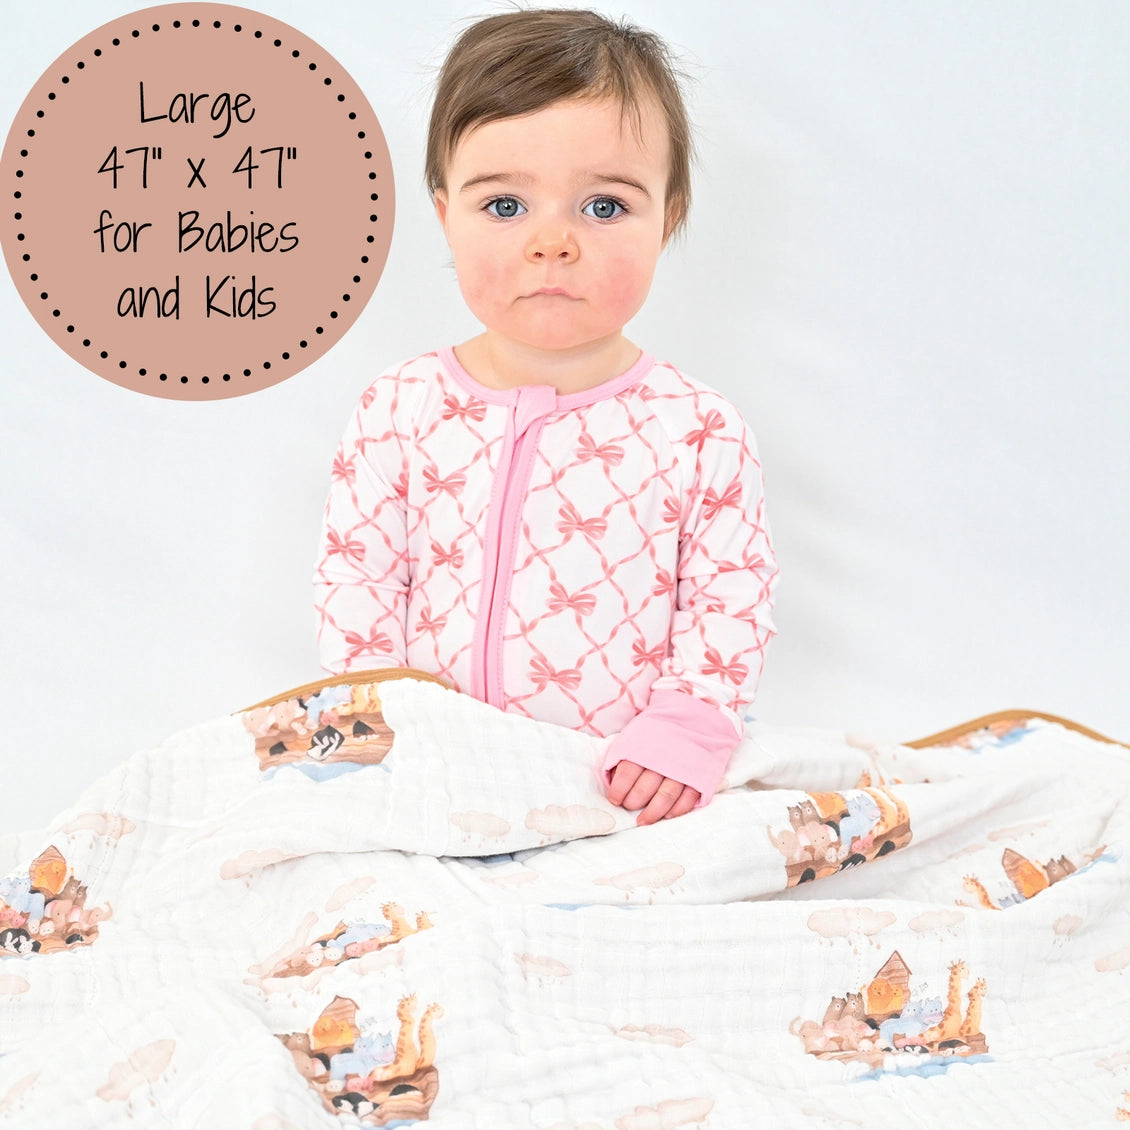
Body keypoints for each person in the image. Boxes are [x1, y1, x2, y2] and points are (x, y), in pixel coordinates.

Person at [314, 8, 777, 825]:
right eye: (504, 206)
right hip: (430, 768)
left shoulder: (698, 430)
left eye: (604, 207)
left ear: (667, 217)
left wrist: (685, 734)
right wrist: (377, 723)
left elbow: (728, 600)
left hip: (624, 784)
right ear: (445, 215)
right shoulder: (399, 408)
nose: (553, 241)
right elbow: (360, 584)